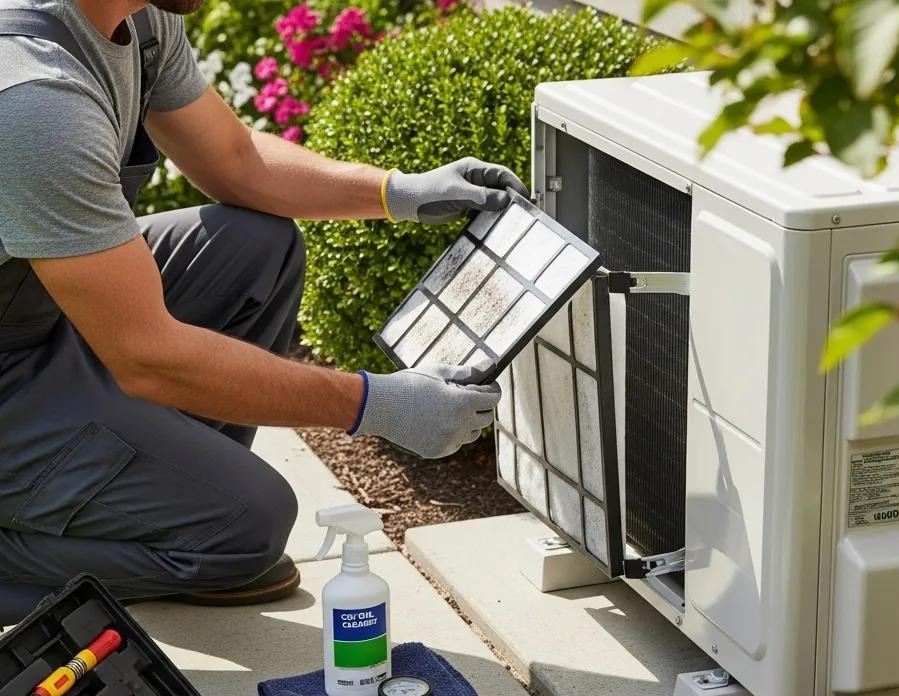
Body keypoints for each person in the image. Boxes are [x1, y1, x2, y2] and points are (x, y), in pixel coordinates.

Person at [0, 0, 525, 624]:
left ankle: (159, 503)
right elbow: (147, 357)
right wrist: (374, 404)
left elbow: (235, 161)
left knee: (255, 249)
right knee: (251, 527)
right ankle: (167, 531)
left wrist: (397, 192)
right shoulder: (34, 97)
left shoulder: (135, 18)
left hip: (46, 316)